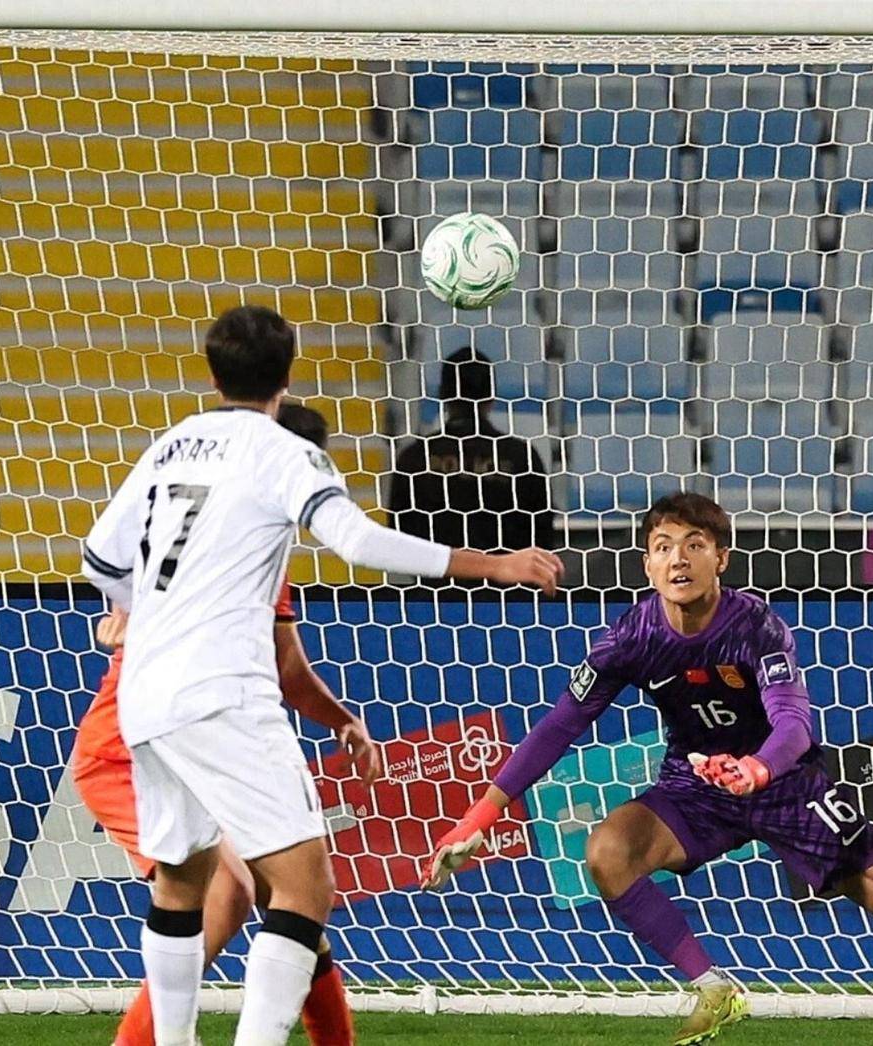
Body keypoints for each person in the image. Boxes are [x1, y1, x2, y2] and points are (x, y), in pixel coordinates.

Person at [81, 305, 563, 1046]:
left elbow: (99, 556)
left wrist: (132, 610)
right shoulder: (283, 453)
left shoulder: (170, 446)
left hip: (145, 691)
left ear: (212, 374)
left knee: (181, 880)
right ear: (287, 373)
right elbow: (358, 542)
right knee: (305, 886)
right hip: (221, 689)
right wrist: (493, 563)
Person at [420, 492, 873, 1046]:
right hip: (697, 787)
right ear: (647, 565)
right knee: (609, 852)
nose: (678, 559)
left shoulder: (755, 626)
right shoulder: (633, 636)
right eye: (663, 547)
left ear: (721, 558)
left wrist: (758, 769)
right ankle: (714, 988)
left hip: (787, 788)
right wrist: (478, 818)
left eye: (694, 544)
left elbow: (793, 723)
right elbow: (559, 726)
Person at [74, 403, 374, 1046]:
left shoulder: (221, 533)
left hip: (194, 741)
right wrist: (344, 721)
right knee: (231, 893)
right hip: (130, 749)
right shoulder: (246, 543)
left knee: (290, 901)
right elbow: (288, 671)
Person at [387, 346, 554, 552]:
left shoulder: (414, 459)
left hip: (434, 572)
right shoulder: (522, 458)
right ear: (491, 397)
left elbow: (398, 538)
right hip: (504, 572)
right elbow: (542, 540)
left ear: (443, 395)